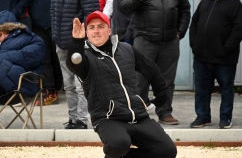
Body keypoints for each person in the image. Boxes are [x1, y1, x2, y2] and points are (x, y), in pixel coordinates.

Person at [66, 10, 177, 158]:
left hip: (138, 116)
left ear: (109, 30)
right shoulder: (85, 56)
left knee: (167, 151)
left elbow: (150, 68)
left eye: (100, 26)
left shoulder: (126, 49)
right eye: (91, 28)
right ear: (86, 32)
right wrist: (76, 42)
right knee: (118, 144)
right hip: (108, 118)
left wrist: (161, 93)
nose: (96, 31)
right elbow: (74, 63)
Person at [119, 0, 191, 125]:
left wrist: (179, 33)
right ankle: (138, 112)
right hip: (145, 40)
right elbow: (123, 7)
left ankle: (165, 112)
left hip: (170, 42)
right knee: (140, 78)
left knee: (167, 80)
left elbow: (185, 10)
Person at [189, 0, 242, 129]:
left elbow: (239, 30)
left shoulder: (235, 4)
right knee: (201, 90)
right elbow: (194, 24)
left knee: (226, 90)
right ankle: (202, 117)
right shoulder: (205, 2)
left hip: (224, 59)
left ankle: (225, 118)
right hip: (202, 57)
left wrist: (225, 49)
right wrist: (195, 45)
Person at [51, 0, 100, 129]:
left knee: (81, 85)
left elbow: (92, 15)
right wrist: (55, 35)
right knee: (68, 85)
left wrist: (84, 39)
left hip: (79, 43)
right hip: (61, 42)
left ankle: (82, 120)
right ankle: (72, 119)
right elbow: (53, 11)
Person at [26, 0, 63, 106]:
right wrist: (33, 15)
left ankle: (59, 87)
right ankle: (50, 90)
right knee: (44, 57)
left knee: (59, 56)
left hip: (58, 22)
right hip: (39, 23)